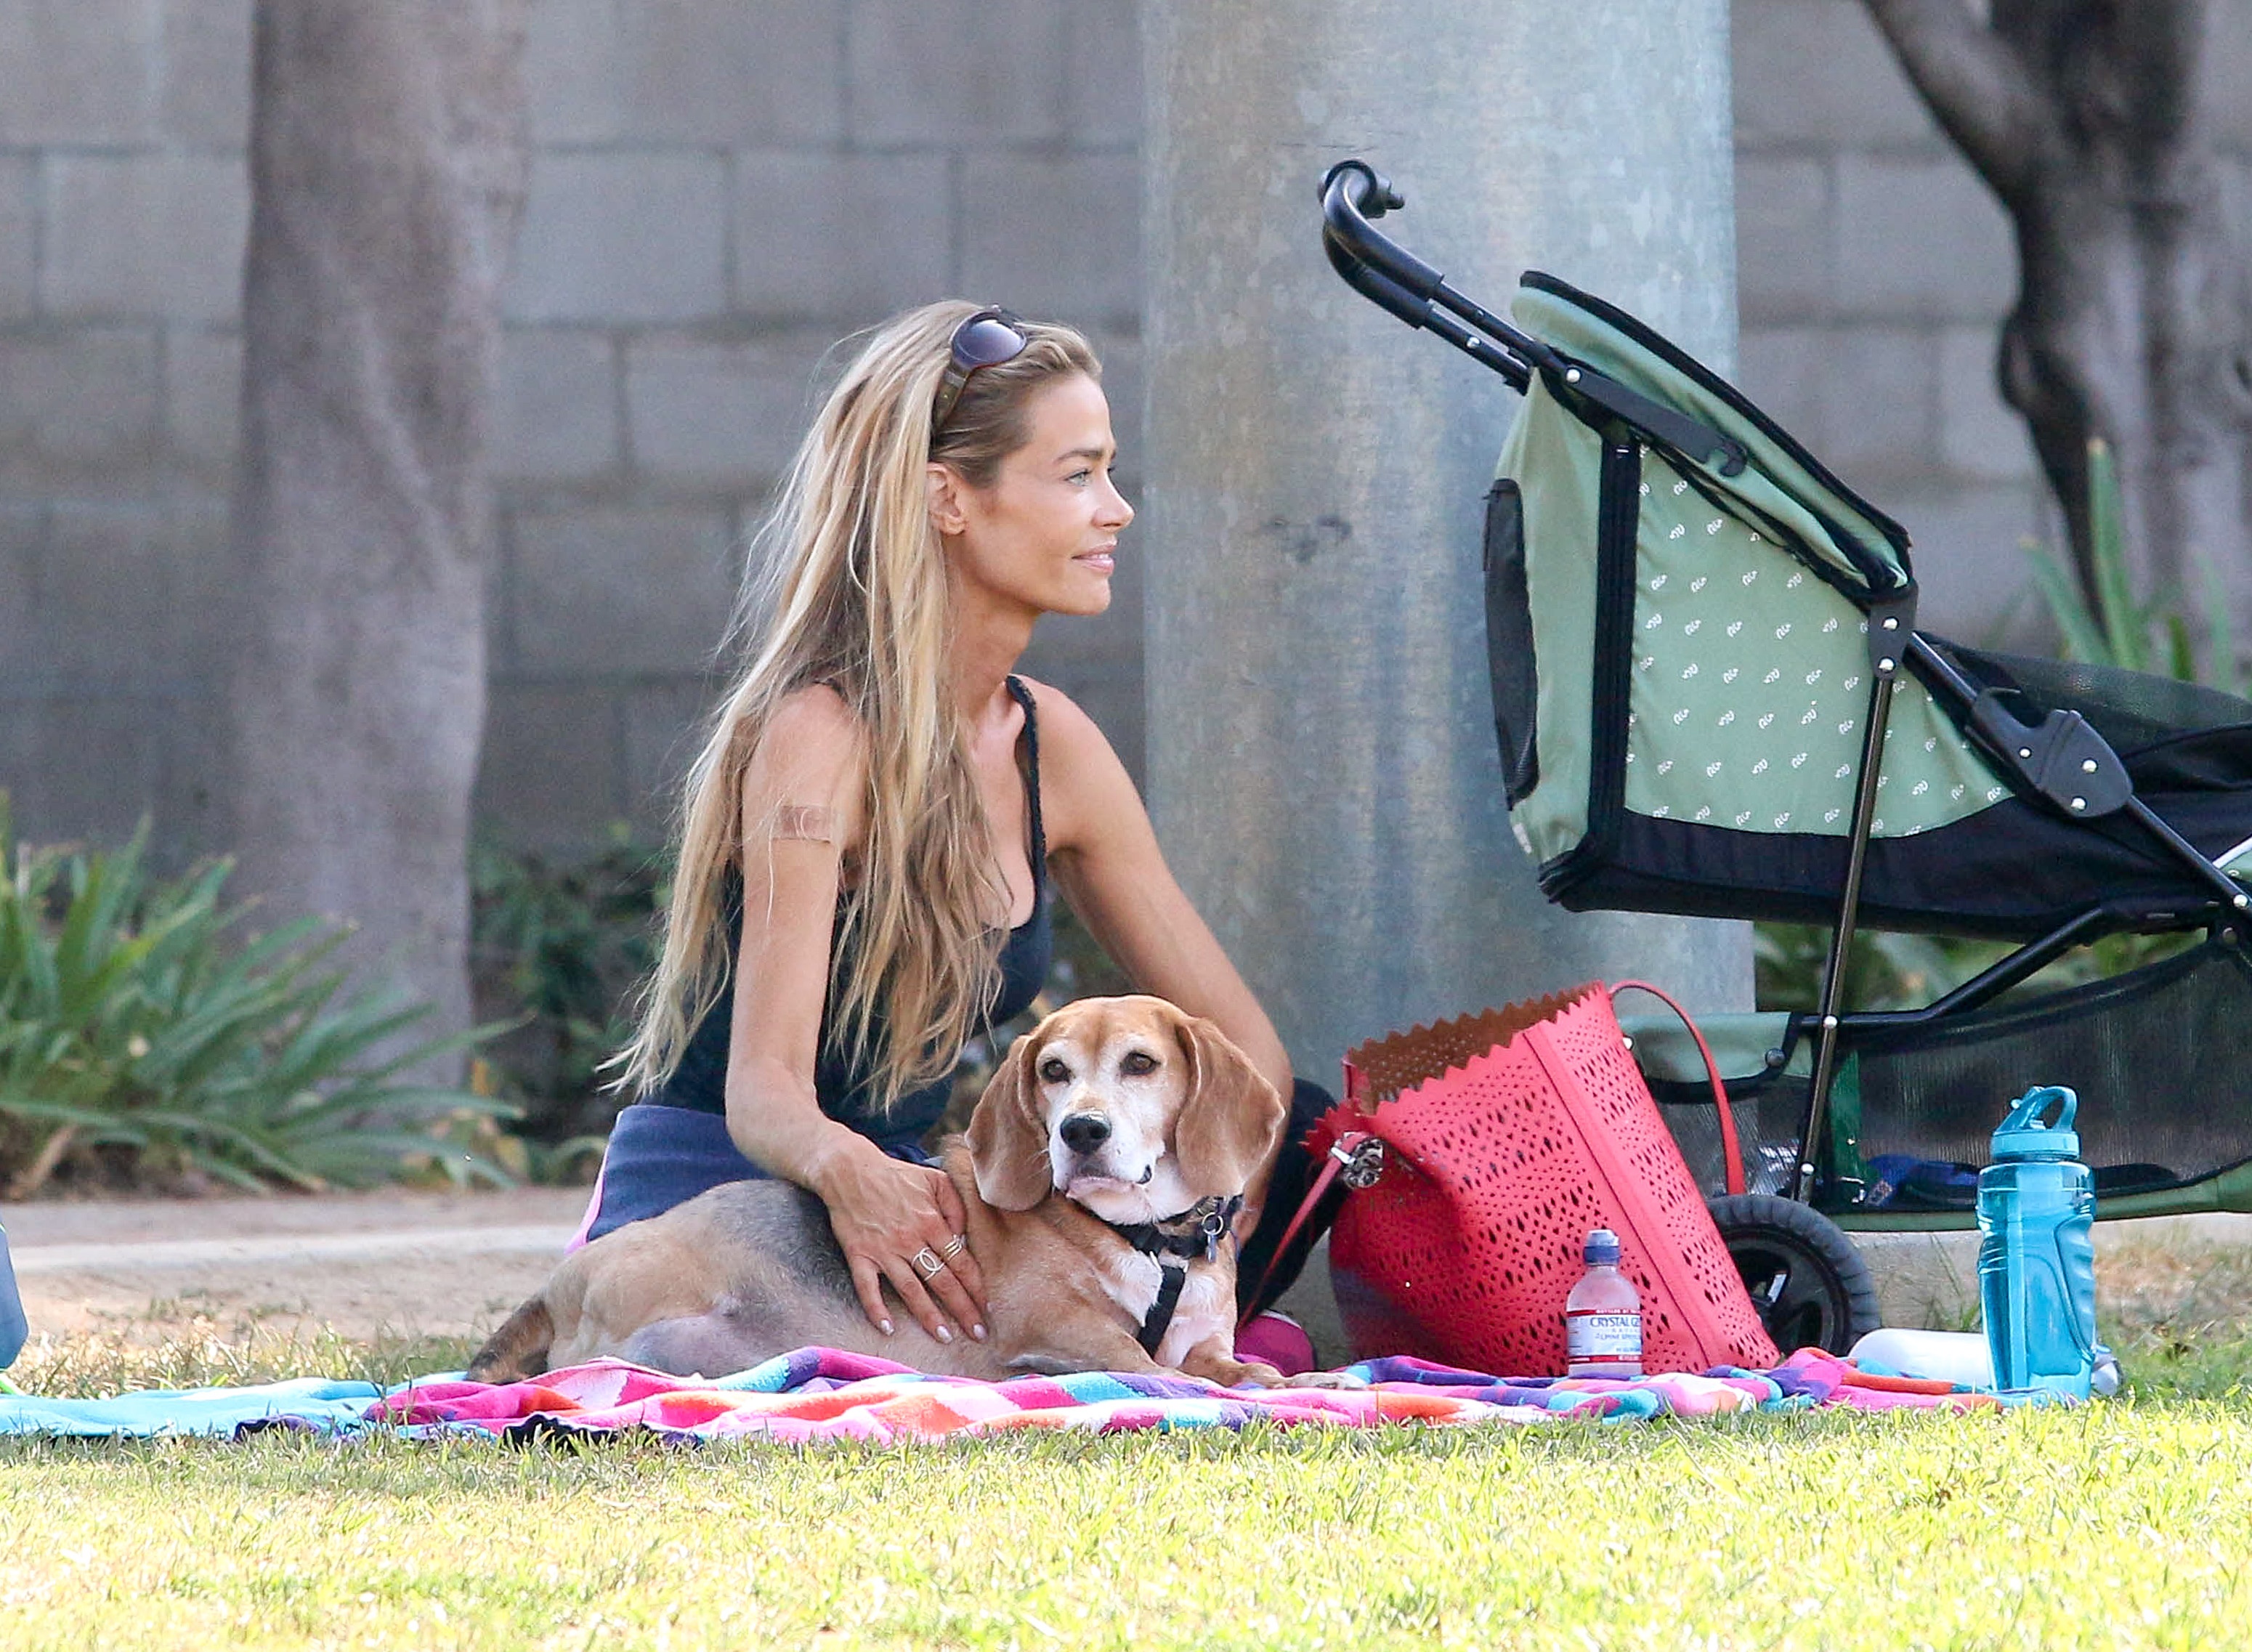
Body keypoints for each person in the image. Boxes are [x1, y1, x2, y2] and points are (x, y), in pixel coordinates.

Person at [578, 301, 1329, 1353]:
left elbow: (1246, 1049)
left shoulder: (1050, 744)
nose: (1116, 510)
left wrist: (1204, 1244)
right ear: (949, 499)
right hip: (732, 1196)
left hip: (909, 1205)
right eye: (1077, 476)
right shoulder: (820, 734)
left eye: (1108, 472)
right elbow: (765, 1090)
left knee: (1304, 1140)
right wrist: (855, 1177)